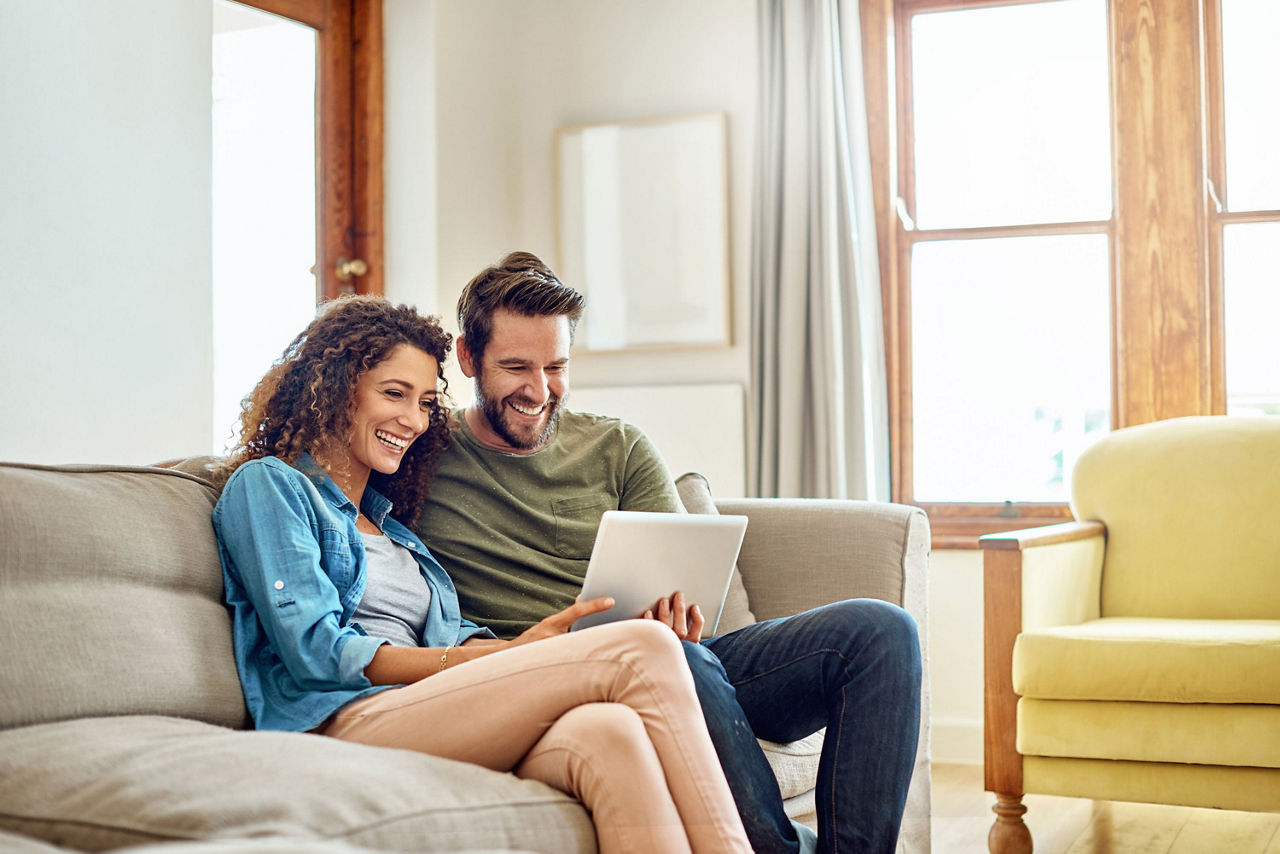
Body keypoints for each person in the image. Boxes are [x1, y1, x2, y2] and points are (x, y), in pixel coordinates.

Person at [414, 252, 924, 854]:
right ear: (468, 357)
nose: (538, 389)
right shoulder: (422, 456)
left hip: (681, 663)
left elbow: (687, 577)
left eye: (556, 366)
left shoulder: (618, 446)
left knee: (881, 632)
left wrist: (682, 612)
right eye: (515, 367)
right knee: (669, 656)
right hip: (546, 677)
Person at [210, 295, 752, 854]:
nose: (413, 420)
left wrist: (523, 647)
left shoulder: (392, 526)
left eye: (424, 401)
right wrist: (482, 660)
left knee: (610, 735)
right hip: (340, 716)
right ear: (337, 387)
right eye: (394, 394)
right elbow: (316, 652)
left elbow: (449, 634)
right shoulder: (270, 487)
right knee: (642, 647)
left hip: (427, 704)